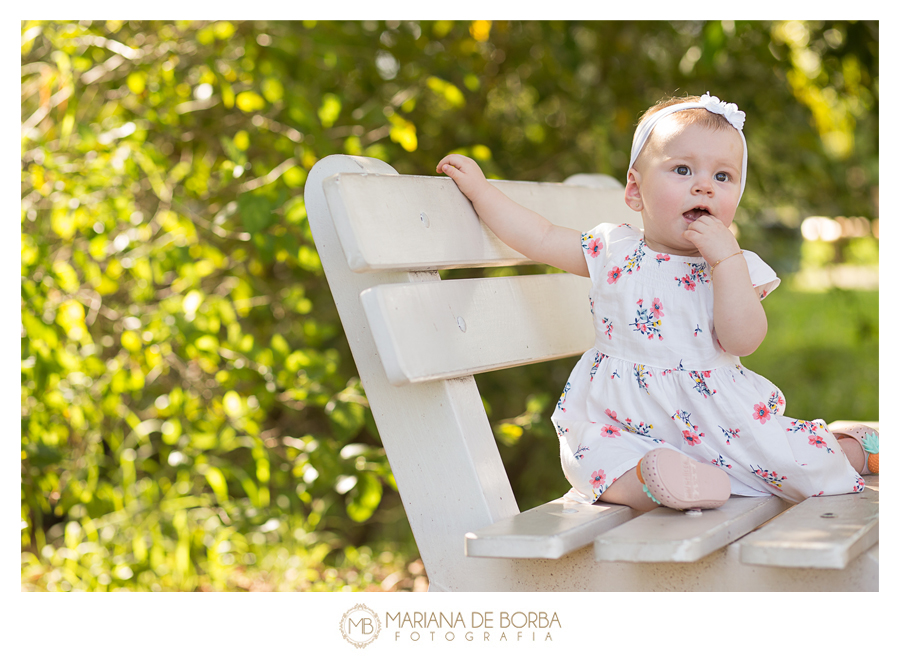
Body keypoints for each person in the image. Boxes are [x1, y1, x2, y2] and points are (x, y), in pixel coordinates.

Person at [436, 92, 878, 512]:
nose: (704, 187)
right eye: (683, 170)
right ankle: (659, 483)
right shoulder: (612, 250)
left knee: (798, 464)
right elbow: (540, 236)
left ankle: (855, 447)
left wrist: (725, 262)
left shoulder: (734, 265)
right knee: (590, 455)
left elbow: (743, 340)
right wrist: (482, 192)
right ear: (635, 191)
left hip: (719, 422)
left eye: (722, 177)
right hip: (623, 418)